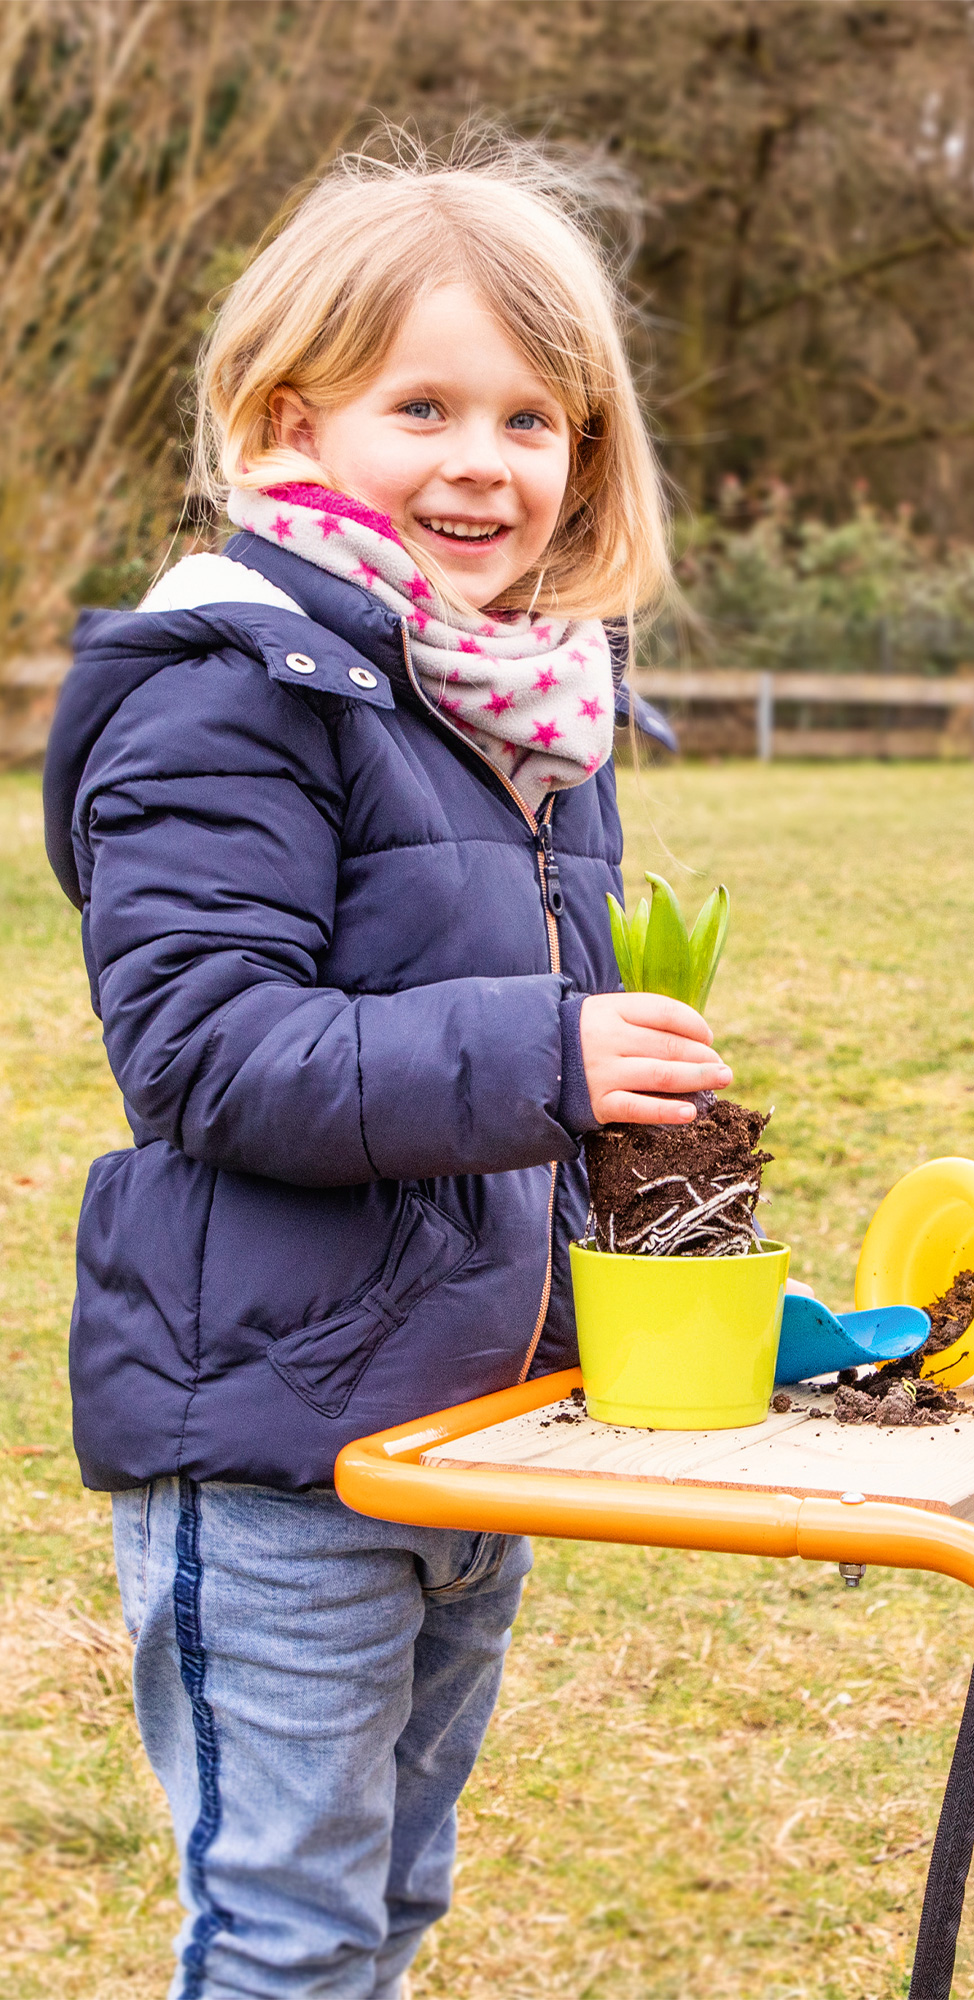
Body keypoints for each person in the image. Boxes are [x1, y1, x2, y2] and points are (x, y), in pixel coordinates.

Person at [43, 135, 727, 1999]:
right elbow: (205, 1051)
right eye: (422, 404)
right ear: (290, 414)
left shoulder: (527, 711)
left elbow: (530, 1103)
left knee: (392, 1910)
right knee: (288, 1937)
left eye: (534, 416)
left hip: (455, 1441)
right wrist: (551, 1052)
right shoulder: (229, 684)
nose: (482, 462)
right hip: (267, 1455)